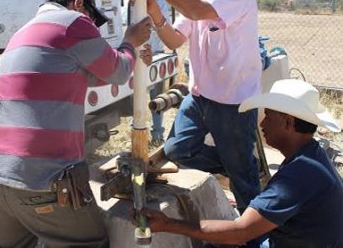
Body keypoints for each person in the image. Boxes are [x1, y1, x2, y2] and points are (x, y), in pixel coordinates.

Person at [0, 0, 152, 248]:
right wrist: (130, 43)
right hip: (42, 179)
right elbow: (117, 71)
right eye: (91, 19)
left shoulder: (21, 34)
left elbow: (87, 75)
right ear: (78, 4)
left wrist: (133, 59)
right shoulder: (73, 23)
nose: (92, 27)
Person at [136, 79, 343, 248]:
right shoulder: (312, 155)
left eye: (268, 117)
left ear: (288, 122)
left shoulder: (299, 175)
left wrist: (167, 224)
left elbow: (240, 232)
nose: (261, 124)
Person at [129, 0, 262, 213]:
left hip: (233, 101)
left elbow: (196, 10)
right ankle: (239, 164)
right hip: (200, 97)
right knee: (178, 149)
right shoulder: (197, 1)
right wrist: (155, 10)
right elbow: (174, 39)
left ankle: (252, 234)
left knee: (244, 182)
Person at [122, 0, 171, 147]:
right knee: (136, 96)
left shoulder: (158, 3)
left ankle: (157, 134)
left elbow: (160, 27)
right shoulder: (126, 5)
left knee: (156, 98)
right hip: (133, 56)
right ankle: (137, 128)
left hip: (155, 53)